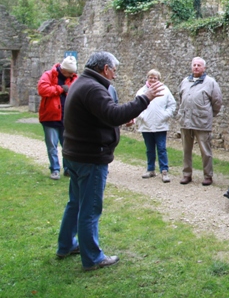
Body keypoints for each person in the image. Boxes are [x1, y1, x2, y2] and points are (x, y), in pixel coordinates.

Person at [56, 51, 163, 271]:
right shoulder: (94, 87)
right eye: (114, 70)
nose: (114, 75)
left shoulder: (82, 83)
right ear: (105, 69)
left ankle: (66, 245)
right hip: (90, 157)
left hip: (76, 155)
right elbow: (112, 114)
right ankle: (93, 258)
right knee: (90, 209)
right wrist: (145, 98)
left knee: (75, 203)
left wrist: (122, 117)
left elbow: (103, 115)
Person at [177, 57, 223, 186]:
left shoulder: (210, 82)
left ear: (204, 68)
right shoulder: (185, 81)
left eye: (199, 65)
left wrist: (209, 114)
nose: (196, 67)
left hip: (202, 122)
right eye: (194, 65)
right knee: (186, 150)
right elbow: (181, 98)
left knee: (205, 151)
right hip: (186, 121)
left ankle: (208, 176)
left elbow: (217, 101)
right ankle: (187, 174)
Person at [37, 56, 78, 180]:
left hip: (67, 118)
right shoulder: (48, 75)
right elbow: (42, 89)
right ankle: (55, 169)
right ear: (63, 70)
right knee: (52, 145)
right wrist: (60, 89)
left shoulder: (74, 78)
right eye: (70, 72)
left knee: (67, 146)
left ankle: (68, 169)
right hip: (50, 117)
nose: (72, 74)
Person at [135, 69, 176, 183]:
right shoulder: (141, 91)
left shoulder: (165, 90)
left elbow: (172, 105)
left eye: (155, 78)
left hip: (160, 125)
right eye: (150, 77)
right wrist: (142, 116)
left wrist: (165, 115)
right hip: (146, 125)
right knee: (149, 149)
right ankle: (150, 169)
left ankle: (164, 171)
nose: (152, 80)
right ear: (147, 78)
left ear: (159, 79)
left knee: (161, 148)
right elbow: (136, 106)